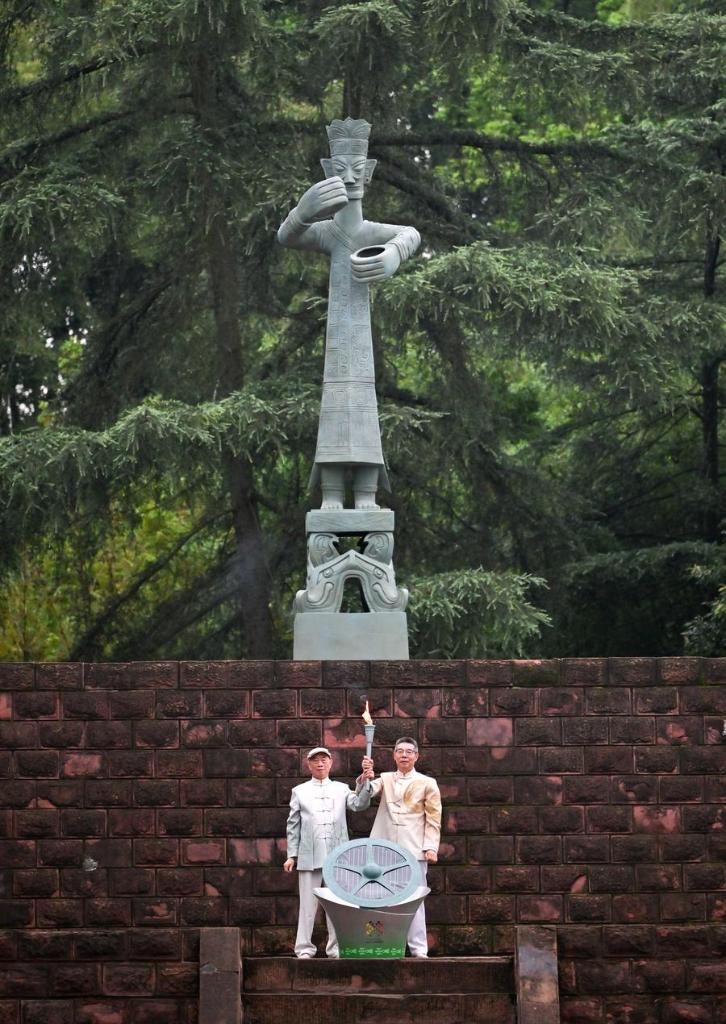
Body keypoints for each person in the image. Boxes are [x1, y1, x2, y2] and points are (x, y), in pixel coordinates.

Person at [277, 117, 420, 510]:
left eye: (358, 169)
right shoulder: (326, 232)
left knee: (362, 405)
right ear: (328, 171)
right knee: (337, 406)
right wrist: (303, 211)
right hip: (338, 347)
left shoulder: (370, 231)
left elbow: (410, 233)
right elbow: (286, 236)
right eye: (341, 170)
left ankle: (367, 495)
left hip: (360, 348)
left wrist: (394, 253)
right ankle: (333, 495)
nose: (350, 177)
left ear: (368, 173)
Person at [284, 746, 373, 958]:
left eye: (324, 759)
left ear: (331, 763)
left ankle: (336, 948)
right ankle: (304, 948)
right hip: (309, 855)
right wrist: (291, 855)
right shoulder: (299, 791)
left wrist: (364, 781)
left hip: (338, 857)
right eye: (315, 760)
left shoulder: (342, 789)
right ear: (309, 764)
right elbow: (293, 825)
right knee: (307, 905)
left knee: (338, 904)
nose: (320, 763)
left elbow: (359, 805)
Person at [361, 736, 441, 957]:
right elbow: (367, 792)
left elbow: (434, 818)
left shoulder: (428, 782)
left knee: (414, 899)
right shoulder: (385, 778)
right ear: (394, 755)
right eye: (400, 751)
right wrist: (366, 775)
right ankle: (378, 945)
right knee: (377, 897)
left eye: (409, 751)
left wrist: (431, 847)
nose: (404, 755)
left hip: (414, 849)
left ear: (416, 756)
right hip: (383, 849)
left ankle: (418, 949)